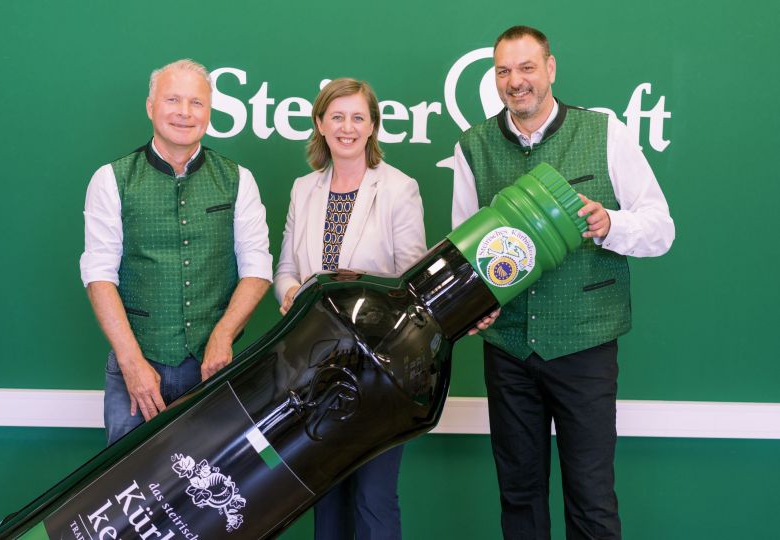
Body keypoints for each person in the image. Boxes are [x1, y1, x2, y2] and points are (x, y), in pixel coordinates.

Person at [452, 26, 675, 540]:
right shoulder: (473, 146)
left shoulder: (605, 133)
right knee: (519, 496)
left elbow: (661, 228)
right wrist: (474, 303)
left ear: (550, 69)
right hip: (507, 350)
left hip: (586, 346)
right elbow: (467, 250)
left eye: (527, 68)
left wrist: (610, 224)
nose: (516, 81)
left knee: (592, 498)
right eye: (504, 71)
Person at [80, 59, 272, 445]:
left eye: (196, 103)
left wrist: (223, 335)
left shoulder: (238, 179)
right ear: (151, 107)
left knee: (210, 492)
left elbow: (258, 268)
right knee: (128, 492)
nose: (184, 113)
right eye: (172, 100)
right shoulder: (111, 179)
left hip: (211, 367)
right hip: (135, 363)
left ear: (209, 112)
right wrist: (132, 363)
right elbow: (99, 276)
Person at [274, 78, 427, 540]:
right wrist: (290, 291)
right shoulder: (304, 189)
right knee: (326, 497)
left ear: (373, 126)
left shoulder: (399, 189)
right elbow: (285, 268)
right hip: (315, 372)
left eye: (358, 117)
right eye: (337, 116)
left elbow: (412, 285)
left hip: (380, 374)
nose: (347, 127)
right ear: (320, 124)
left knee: (373, 501)